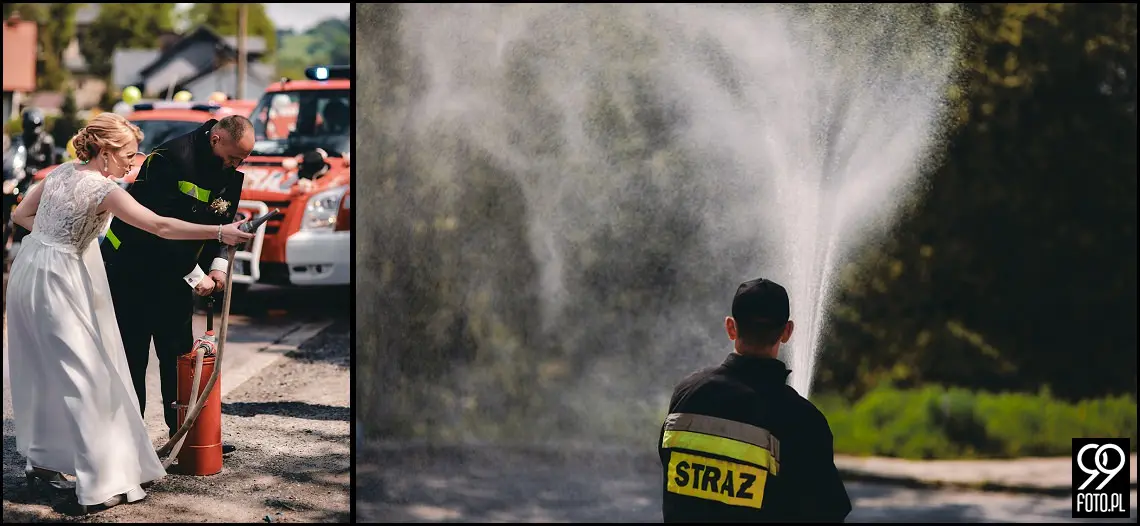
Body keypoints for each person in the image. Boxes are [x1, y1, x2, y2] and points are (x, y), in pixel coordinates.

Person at [5, 112, 253, 513]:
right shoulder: (104, 188)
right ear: (105, 152)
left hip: (30, 272)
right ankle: (98, 483)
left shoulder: (59, 173)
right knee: (84, 376)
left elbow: (20, 216)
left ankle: (44, 460)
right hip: (61, 280)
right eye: (128, 155)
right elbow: (160, 226)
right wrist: (220, 232)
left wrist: (57, 237)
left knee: (45, 369)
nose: (133, 163)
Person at [100, 114, 254, 454]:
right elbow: (158, 229)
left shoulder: (228, 169)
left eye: (242, 159)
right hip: (132, 270)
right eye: (234, 157)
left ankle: (183, 436)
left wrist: (217, 269)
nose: (237, 165)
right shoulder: (169, 158)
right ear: (216, 139)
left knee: (179, 357)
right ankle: (131, 445)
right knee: (133, 358)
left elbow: (221, 225)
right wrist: (196, 276)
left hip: (176, 277)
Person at [658, 278, 852, 522]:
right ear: (787, 332)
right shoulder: (803, 419)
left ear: (731, 327)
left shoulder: (687, 394)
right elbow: (827, 512)